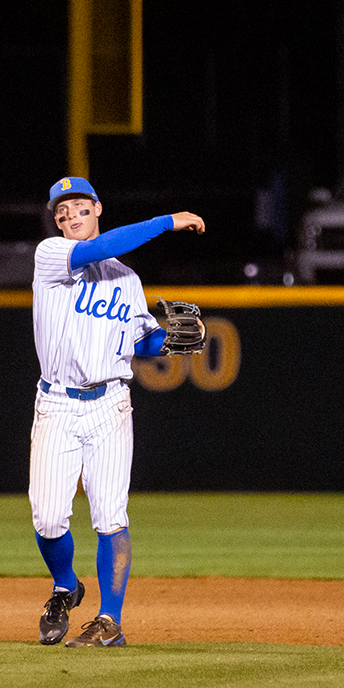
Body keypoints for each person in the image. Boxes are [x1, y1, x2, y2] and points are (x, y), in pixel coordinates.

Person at [30, 176, 205, 647]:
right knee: (47, 519)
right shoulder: (50, 257)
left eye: (79, 206)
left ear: (98, 207)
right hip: (57, 404)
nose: (69, 215)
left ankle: (109, 621)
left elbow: (140, 340)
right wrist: (166, 221)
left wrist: (165, 340)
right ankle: (66, 586)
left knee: (110, 515)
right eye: (61, 210)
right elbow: (98, 248)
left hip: (110, 403)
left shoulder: (127, 280)